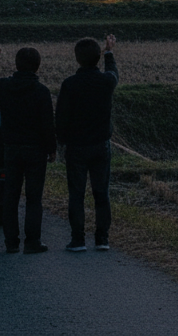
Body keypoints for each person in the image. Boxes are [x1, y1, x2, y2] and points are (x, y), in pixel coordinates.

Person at [0, 45, 56, 254]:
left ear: (16, 65)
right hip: (36, 150)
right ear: (37, 67)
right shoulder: (41, 92)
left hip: (11, 149)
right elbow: (48, 124)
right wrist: (52, 149)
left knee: (10, 196)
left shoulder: (4, 86)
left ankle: (11, 242)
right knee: (33, 198)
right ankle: (32, 242)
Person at [55, 34, 118, 252]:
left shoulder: (70, 84)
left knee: (76, 194)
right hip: (101, 145)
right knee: (102, 193)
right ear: (98, 58)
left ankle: (78, 239)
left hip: (76, 147)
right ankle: (102, 238)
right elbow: (113, 73)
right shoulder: (106, 82)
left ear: (77, 59)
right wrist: (109, 52)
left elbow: (61, 117)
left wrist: (59, 143)